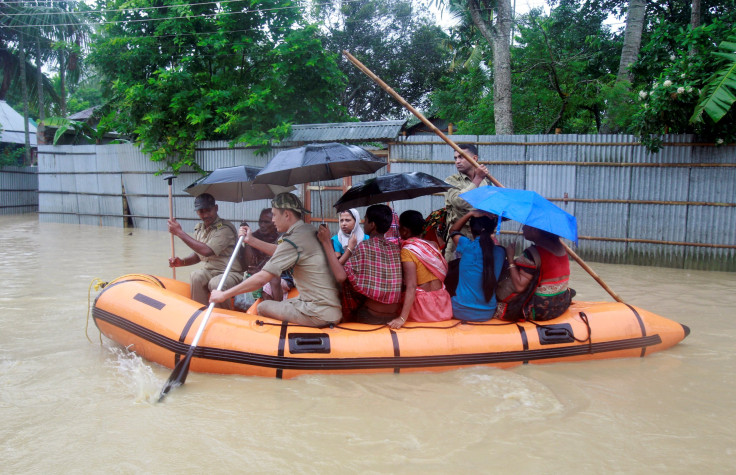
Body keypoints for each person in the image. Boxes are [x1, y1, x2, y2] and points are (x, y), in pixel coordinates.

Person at [210, 193, 342, 327]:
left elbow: (262, 278)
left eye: (274, 214)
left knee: (263, 307)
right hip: (325, 307)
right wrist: (251, 240)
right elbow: (282, 252)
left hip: (318, 312)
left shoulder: (294, 240)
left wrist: (224, 295)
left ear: (286, 215)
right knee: (282, 304)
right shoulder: (307, 230)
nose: (272, 220)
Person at [317, 204, 403, 325]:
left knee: (345, 286)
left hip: (371, 314)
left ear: (372, 224)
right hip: (394, 314)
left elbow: (341, 276)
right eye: (342, 220)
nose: (364, 222)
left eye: (366, 219)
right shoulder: (395, 248)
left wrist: (326, 242)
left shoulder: (364, 246)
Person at [168, 193, 243, 309]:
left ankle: (222, 317)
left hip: (231, 273)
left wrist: (179, 233)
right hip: (210, 271)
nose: (206, 215)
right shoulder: (200, 229)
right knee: (196, 276)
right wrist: (182, 262)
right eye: (201, 212)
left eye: (209, 210)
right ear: (197, 212)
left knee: (216, 283)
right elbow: (198, 255)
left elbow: (207, 251)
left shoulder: (225, 229)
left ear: (216, 208)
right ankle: (199, 313)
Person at [389, 210, 453, 329]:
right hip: (442, 304)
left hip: (422, 308)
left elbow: (411, 286)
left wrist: (402, 318)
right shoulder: (433, 245)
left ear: (405, 231)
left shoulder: (407, 250)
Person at [498, 225, 574, 321]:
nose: (522, 229)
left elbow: (520, 286)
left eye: (525, 226)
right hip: (563, 303)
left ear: (534, 230)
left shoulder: (532, 253)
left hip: (541, 310)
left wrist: (510, 259)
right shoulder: (562, 248)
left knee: (496, 306)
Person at [448, 210, 506, 321]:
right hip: (487, 313)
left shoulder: (466, 246)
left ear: (471, 229)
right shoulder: (501, 252)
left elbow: (453, 230)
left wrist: (469, 214)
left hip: (460, 310)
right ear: (492, 229)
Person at [233, 208, 291, 309]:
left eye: (266, 222)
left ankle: (277, 312)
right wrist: (247, 241)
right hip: (257, 275)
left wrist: (260, 272)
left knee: (267, 286)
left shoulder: (283, 238)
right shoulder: (254, 236)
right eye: (260, 221)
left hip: (281, 276)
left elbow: (279, 266)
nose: (262, 225)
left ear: (274, 222)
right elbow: (249, 264)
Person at [444, 144, 491, 262]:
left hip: (481, 236)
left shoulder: (487, 182)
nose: (457, 161)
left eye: (461, 157)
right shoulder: (451, 181)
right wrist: (477, 179)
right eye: (455, 158)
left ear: (474, 158)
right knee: (454, 274)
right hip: (458, 236)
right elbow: (459, 202)